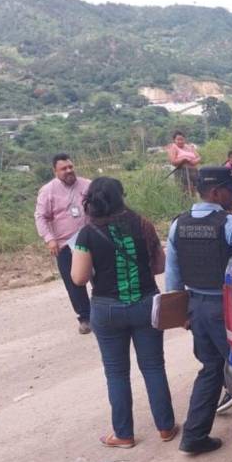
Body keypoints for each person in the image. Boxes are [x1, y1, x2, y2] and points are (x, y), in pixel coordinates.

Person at [165, 165, 232, 455]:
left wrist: (183, 313)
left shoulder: (177, 225)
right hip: (227, 310)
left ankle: (194, 436)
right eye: (230, 192)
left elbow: (172, 277)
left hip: (196, 308)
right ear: (216, 192)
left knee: (210, 369)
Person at [70, 177, 177, 448]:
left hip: (107, 309)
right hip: (144, 303)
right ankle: (165, 427)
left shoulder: (87, 234)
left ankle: (124, 434)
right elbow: (160, 266)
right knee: (153, 367)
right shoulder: (143, 224)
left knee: (116, 373)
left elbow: (79, 278)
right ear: (121, 196)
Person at [34, 153, 92, 334]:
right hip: (66, 245)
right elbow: (40, 217)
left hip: (91, 240)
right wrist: (49, 239)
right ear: (55, 171)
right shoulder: (48, 191)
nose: (69, 171)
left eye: (70, 167)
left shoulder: (87, 185)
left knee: (103, 277)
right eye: (64, 169)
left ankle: (105, 313)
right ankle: (85, 318)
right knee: (74, 282)